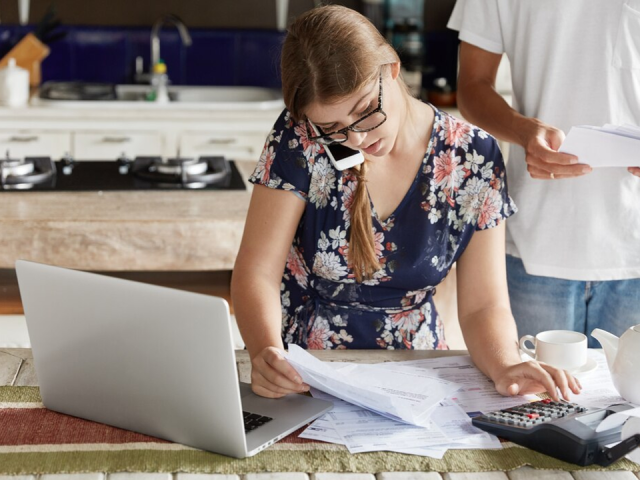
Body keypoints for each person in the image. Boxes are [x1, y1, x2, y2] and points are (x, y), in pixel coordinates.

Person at [231, 5, 581, 402]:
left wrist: (506, 364)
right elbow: (256, 272)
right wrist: (264, 352)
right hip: (304, 373)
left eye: (365, 112)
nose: (356, 139)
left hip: (419, 376)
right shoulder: (300, 139)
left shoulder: (472, 157)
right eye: (332, 128)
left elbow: (484, 305)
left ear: (392, 68)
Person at [448, 0, 640, 348]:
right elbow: (472, 86)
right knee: (532, 399)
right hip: (535, 240)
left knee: (630, 402)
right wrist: (523, 131)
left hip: (634, 245)